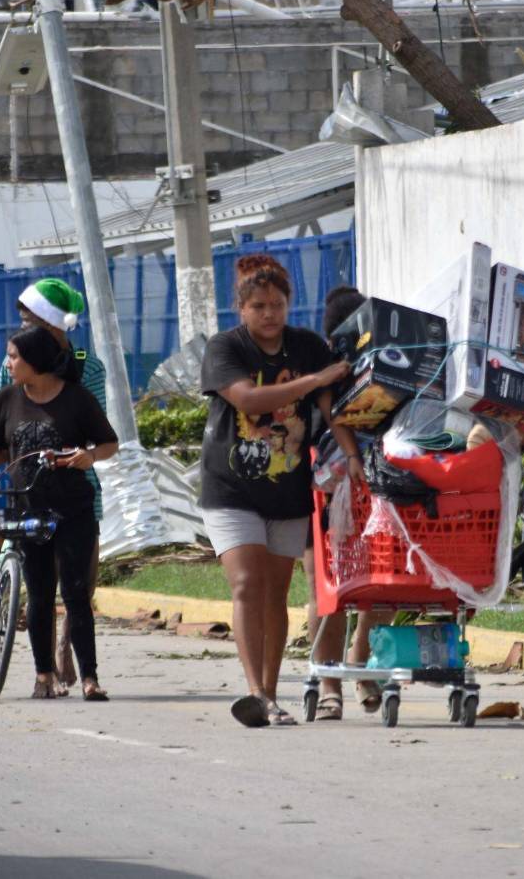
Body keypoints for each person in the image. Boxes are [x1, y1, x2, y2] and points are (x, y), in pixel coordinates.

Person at [200, 255, 360, 727]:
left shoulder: (307, 346)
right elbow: (249, 399)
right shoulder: (225, 347)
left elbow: (332, 410)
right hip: (229, 487)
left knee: (275, 592)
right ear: (241, 310)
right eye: (258, 306)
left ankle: (270, 694)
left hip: (288, 488)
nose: (269, 314)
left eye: (277, 304)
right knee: (247, 583)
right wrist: (314, 381)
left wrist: (352, 457)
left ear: (289, 304)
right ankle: (254, 692)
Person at [0, 325, 118, 701]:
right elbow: (0, 453)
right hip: (27, 508)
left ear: (35, 361)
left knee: (76, 592)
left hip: (73, 509)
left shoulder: (77, 399)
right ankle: (43, 676)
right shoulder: (6, 400)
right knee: (37, 594)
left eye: (14, 357)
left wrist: (90, 456)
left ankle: (90, 678)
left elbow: (109, 443)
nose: (9, 363)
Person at [0, 277, 105, 695]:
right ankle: (45, 670)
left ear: (52, 324)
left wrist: (86, 454)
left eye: (29, 319)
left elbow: (99, 428)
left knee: (78, 584)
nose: (21, 329)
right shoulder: (12, 366)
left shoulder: (89, 367)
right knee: (38, 586)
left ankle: (70, 655)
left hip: (77, 488)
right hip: (28, 492)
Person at [303, 285, 386, 720]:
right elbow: (330, 411)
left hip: (368, 487)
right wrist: (352, 455)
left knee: (348, 585)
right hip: (330, 489)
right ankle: (336, 677)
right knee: (340, 587)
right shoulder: (326, 365)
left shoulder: (381, 360)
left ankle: (342, 675)